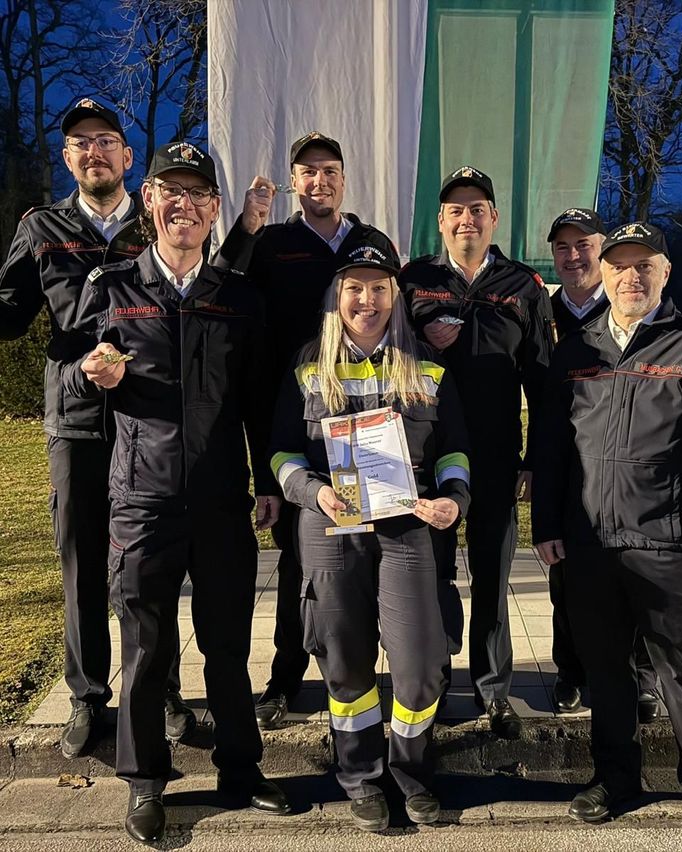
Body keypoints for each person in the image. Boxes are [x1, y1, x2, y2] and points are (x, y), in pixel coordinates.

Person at [61, 142, 291, 843]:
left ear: (215, 209)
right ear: (151, 204)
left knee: (226, 643)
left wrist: (269, 481)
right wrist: (86, 378)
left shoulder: (239, 298)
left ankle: (241, 769)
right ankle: (145, 784)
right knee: (146, 647)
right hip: (143, 501)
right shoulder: (112, 286)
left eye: (198, 193)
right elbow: (74, 377)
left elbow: (258, 400)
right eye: (171, 191)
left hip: (223, 499)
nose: (184, 204)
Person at [532, 222, 682, 850]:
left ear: (664, 273)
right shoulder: (576, 349)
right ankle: (616, 779)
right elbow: (550, 447)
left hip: (671, 546)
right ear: (601, 274)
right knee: (606, 674)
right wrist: (547, 525)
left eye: (644, 265)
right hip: (589, 547)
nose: (631, 277)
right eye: (619, 265)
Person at [0, 97, 191, 759]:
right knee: (82, 562)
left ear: (128, 155)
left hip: (147, 418)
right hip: (77, 421)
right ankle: (86, 698)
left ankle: (163, 689)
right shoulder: (42, 228)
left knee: (151, 562)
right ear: (67, 157)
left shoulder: (157, 221)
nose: (94, 152)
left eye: (106, 140)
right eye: (80, 143)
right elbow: (11, 312)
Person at [270, 234, 470, 832]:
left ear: (395, 296)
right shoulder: (307, 365)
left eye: (379, 288)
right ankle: (359, 775)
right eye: (354, 287)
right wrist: (314, 492)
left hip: (408, 530)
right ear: (337, 296)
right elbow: (282, 453)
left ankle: (411, 772)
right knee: (345, 660)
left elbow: (454, 450)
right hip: (331, 530)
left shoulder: (428, 368)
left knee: (418, 662)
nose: (367, 299)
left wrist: (453, 501)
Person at [215, 131, 399, 729]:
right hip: (302, 420)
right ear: (294, 182)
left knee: (383, 552)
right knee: (302, 562)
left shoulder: (371, 243)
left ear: (345, 178)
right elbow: (220, 284)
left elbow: (401, 314)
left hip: (371, 421)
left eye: (329, 170)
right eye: (308, 172)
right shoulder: (271, 243)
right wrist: (246, 225)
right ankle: (285, 677)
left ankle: (387, 673)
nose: (319, 181)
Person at [399, 166, 554, 739]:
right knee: (430, 573)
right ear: (441, 221)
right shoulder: (412, 281)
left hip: (496, 457)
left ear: (494, 219)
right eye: (456, 210)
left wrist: (536, 459)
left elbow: (542, 383)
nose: (467, 218)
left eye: (478, 208)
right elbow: (384, 355)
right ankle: (434, 684)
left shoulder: (523, 287)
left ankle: (494, 691)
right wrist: (420, 345)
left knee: (492, 576)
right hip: (425, 459)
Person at [546, 208, 660, 723]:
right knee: (566, 579)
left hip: (630, 473)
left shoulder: (628, 310)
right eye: (563, 248)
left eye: (584, 245)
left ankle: (640, 678)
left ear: (602, 253)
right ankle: (571, 671)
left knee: (632, 582)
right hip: (569, 466)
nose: (574, 257)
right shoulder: (541, 310)